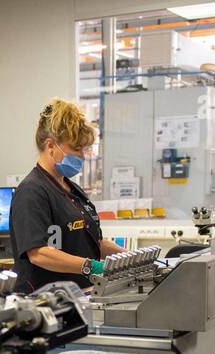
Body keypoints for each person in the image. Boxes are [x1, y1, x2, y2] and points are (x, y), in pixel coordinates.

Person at [7, 99, 126, 293]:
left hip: (78, 294)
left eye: (84, 149)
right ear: (51, 146)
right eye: (76, 149)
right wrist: (91, 266)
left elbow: (93, 243)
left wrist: (129, 258)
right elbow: (39, 253)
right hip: (44, 300)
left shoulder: (73, 190)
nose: (82, 156)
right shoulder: (31, 191)